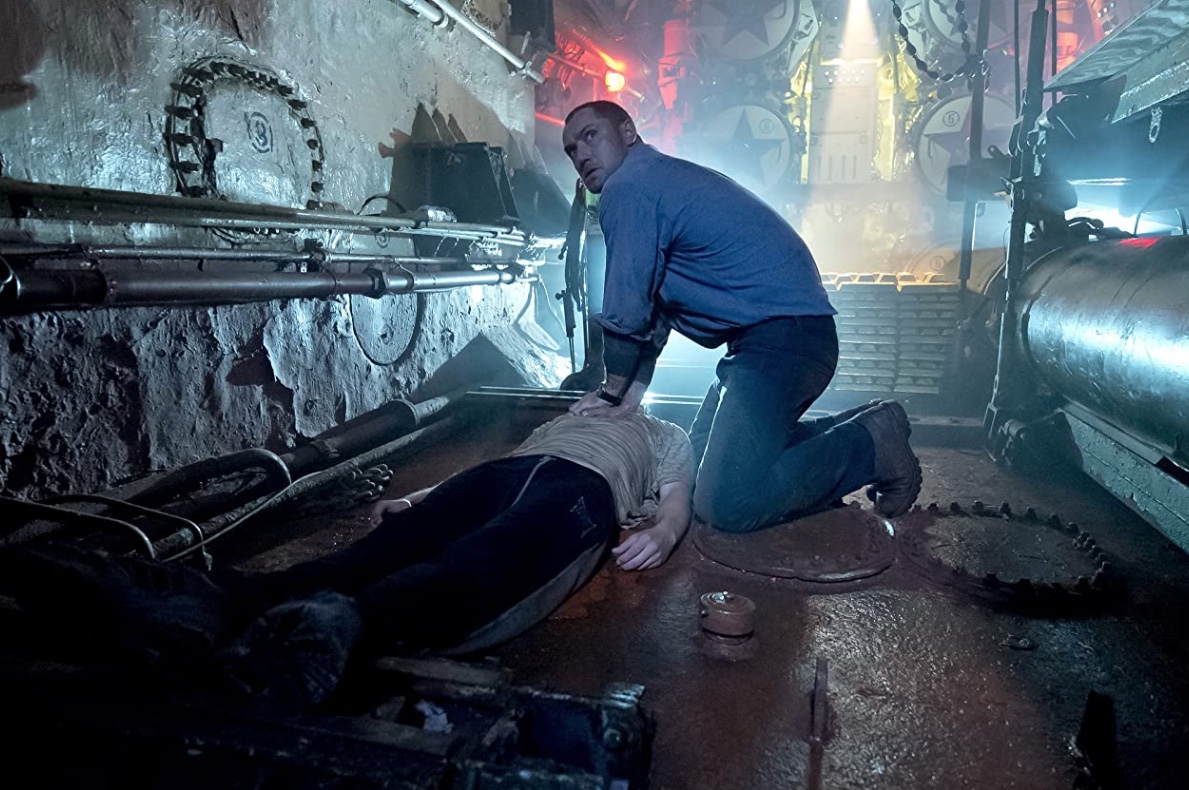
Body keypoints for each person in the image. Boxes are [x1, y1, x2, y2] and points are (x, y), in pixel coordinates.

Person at [1, 411, 694, 710]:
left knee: (490, 556)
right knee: (379, 548)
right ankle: (201, 599)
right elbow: (495, 466)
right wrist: (419, 497)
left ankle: (347, 625)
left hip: (583, 492)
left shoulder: (665, 432)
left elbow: (674, 498)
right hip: (506, 472)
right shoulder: (564, 416)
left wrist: (662, 533)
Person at [560, 100, 921, 533]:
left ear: (628, 132)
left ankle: (871, 447)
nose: (581, 155)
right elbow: (653, 312)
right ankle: (868, 424)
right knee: (695, 464)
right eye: (571, 149)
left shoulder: (629, 187)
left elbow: (627, 307)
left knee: (726, 501)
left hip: (783, 340)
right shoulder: (655, 178)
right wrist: (631, 396)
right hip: (776, 339)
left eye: (590, 136)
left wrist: (610, 391)